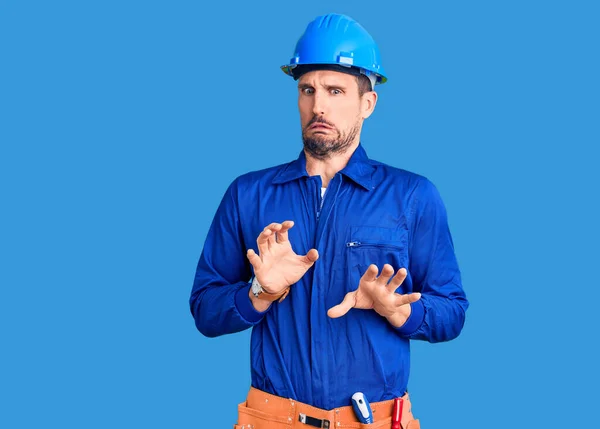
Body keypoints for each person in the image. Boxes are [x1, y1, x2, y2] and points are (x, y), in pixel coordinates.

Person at [190, 13, 469, 429]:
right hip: (272, 421)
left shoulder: (412, 196)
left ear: (367, 103)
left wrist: (400, 312)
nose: (318, 106)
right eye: (308, 90)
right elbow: (204, 310)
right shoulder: (248, 195)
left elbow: (453, 311)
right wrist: (259, 292)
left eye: (335, 90)